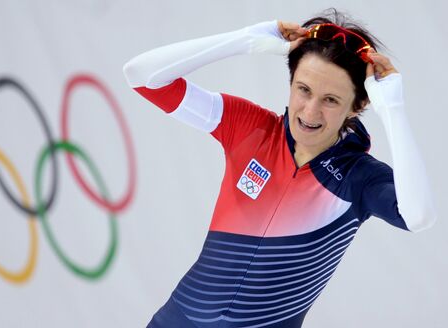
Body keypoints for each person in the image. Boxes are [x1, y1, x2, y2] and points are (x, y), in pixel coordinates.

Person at [123, 8, 436, 328]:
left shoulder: (359, 177)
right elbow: (141, 76)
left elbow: (419, 216)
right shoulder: (248, 127)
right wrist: (243, 39)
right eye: (304, 89)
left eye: (330, 100)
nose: (310, 111)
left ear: (357, 105)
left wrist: (392, 108)